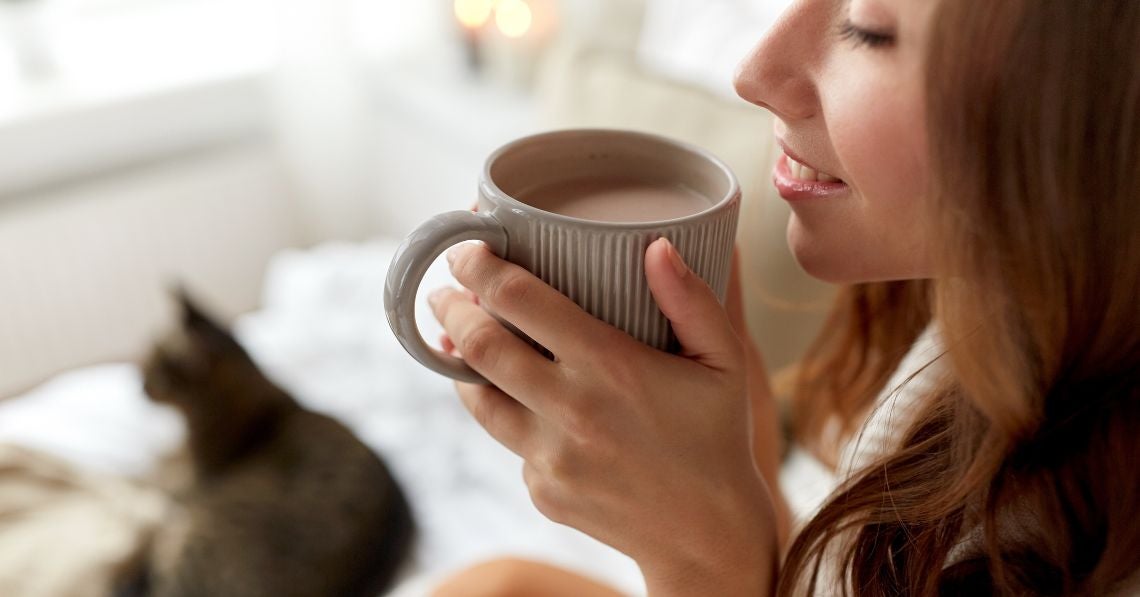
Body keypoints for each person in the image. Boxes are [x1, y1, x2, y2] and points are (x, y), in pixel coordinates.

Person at [425, 0, 1140, 594]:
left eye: (868, 28)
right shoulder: (976, 315)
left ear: (1079, 111)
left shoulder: (1070, 540)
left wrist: (701, 557)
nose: (754, 74)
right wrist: (753, 481)